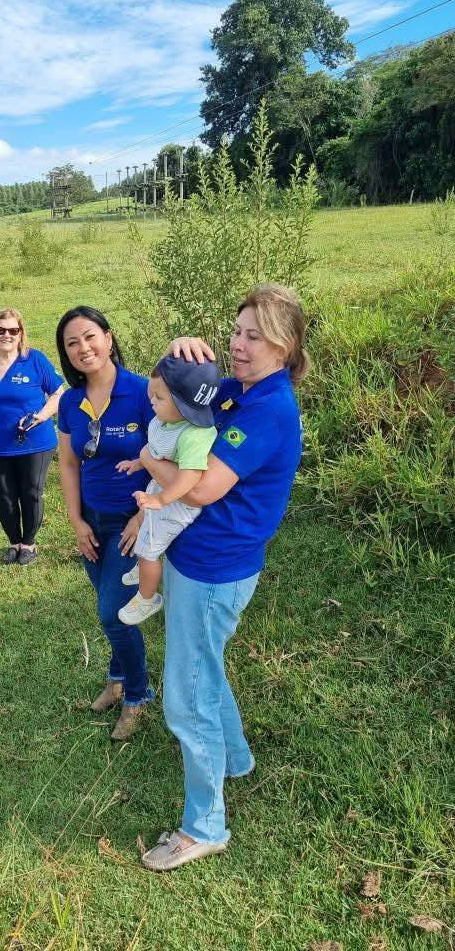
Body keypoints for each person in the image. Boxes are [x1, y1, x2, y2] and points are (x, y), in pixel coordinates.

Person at [139, 284, 310, 871]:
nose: (237, 345)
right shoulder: (242, 390)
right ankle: (234, 759)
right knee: (204, 665)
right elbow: (171, 399)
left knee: (187, 698)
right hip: (200, 559)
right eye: (235, 332)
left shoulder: (268, 409)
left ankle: (205, 826)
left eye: (253, 336)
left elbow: (206, 485)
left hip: (216, 569)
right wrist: (178, 352)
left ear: (283, 348)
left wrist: (147, 462)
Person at [56, 306, 155, 742]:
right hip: (91, 521)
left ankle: (137, 693)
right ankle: (117, 677)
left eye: (90, 336)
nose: (83, 348)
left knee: (115, 613)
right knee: (107, 606)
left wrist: (143, 514)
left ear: (109, 339)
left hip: (131, 522)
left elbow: (168, 458)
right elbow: (68, 462)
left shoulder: (143, 393)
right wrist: (76, 520)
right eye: (72, 343)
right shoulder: (68, 400)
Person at [116, 354, 221, 626]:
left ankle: (147, 598)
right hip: (162, 489)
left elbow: (190, 478)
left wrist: (160, 500)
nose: (152, 402)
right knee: (146, 527)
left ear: (184, 405)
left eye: (159, 398)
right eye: (152, 396)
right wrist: (138, 463)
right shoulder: (166, 421)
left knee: (150, 549)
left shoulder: (194, 434)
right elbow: (156, 451)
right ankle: (143, 569)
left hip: (177, 502)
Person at [0, 307, 64, 566]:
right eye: (1, 330)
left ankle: (29, 544)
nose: (7, 335)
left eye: (13, 330)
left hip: (34, 443)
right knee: (3, 495)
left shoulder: (35, 360)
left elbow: (58, 393)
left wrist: (42, 416)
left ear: (21, 334)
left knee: (30, 493)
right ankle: (14, 542)